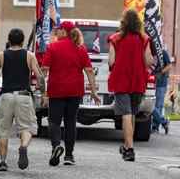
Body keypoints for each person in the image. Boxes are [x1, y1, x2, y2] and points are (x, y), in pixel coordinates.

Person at [0, 28, 45, 171]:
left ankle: (3, 161)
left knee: (3, 130)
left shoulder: (1, 55)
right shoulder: (29, 56)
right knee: (27, 127)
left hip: (6, 96)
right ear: (23, 41)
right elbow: (40, 77)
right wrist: (44, 94)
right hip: (24, 96)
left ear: (9, 40)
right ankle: (23, 147)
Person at [42, 21, 100, 166]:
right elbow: (89, 71)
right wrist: (93, 91)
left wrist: (43, 91)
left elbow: (44, 70)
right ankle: (69, 155)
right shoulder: (80, 48)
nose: (57, 32)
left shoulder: (52, 47)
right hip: (75, 91)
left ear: (64, 31)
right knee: (70, 121)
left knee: (54, 121)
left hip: (56, 90)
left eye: (59, 30)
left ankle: (56, 146)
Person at [108, 9, 153, 162]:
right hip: (138, 80)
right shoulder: (144, 39)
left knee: (126, 114)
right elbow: (148, 61)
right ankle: (127, 146)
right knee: (132, 113)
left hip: (121, 80)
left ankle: (130, 149)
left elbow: (111, 62)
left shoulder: (115, 39)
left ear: (124, 22)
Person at [152, 49, 172, 134]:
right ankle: (164, 122)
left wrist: (160, 72)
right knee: (152, 106)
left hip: (161, 83)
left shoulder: (162, 52)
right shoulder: (149, 52)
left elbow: (169, 65)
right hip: (151, 83)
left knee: (157, 105)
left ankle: (155, 127)